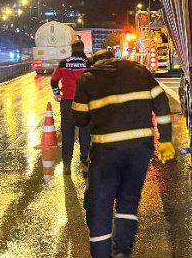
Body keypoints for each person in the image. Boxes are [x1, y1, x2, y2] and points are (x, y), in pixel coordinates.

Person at [72, 49, 176, 258]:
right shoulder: (139, 72)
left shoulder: (88, 79)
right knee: (128, 200)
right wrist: (165, 139)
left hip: (106, 152)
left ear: (95, 63)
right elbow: (162, 103)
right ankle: (122, 251)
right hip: (139, 150)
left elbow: (79, 119)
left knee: (101, 205)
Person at [51, 39, 91, 175]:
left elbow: (53, 80)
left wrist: (57, 95)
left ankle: (67, 165)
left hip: (67, 102)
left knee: (67, 133)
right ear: (83, 48)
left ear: (72, 49)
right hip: (85, 102)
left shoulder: (63, 63)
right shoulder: (88, 63)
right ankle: (85, 162)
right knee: (85, 132)